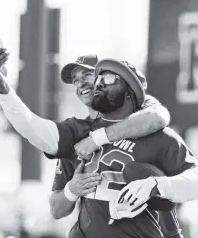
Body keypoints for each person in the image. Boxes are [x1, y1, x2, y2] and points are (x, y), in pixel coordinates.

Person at [0, 48, 198, 237]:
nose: (85, 84)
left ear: (129, 85)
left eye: (92, 76)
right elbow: (30, 126)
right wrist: (1, 85)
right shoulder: (75, 132)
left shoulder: (157, 131)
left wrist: (156, 185)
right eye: (76, 80)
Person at [50, 56, 183, 238]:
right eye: (75, 80)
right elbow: (57, 210)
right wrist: (71, 190)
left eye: (88, 75)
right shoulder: (75, 134)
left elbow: (158, 116)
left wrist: (98, 138)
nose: (81, 84)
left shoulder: (145, 119)